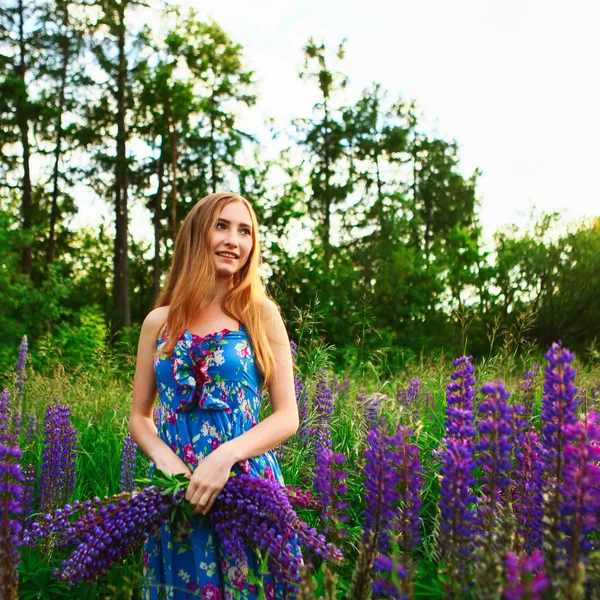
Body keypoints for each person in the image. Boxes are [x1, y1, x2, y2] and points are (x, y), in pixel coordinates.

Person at [129, 192, 300, 599]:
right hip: (177, 492)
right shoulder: (159, 322)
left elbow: (287, 415)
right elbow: (139, 416)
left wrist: (224, 457)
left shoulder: (261, 314)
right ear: (195, 234)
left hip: (246, 486)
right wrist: (169, 465)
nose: (234, 240)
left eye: (245, 231)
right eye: (221, 226)